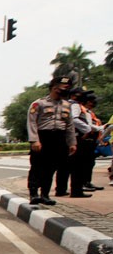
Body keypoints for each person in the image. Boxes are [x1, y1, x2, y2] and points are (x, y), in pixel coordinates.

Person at [27, 76, 77, 205]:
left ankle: (45, 194)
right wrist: (34, 140)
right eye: (64, 87)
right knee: (37, 166)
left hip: (59, 138)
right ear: (54, 87)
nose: (66, 90)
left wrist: (72, 143)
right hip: (43, 137)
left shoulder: (67, 105)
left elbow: (70, 125)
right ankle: (33, 194)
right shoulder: (39, 103)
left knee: (51, 167)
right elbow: (32, 123)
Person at [55, 88, 91, 197]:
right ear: (74, 96)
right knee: (78, 166)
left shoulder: (63, 104)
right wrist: (87, 129)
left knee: (64, 166)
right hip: (75, 137)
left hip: (64, 137)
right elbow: (74, 119)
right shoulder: (75, 105)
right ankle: (76, 191)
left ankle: (60, 190)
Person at [80, 94, 104, 191]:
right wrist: (100, 128)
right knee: (84, 163)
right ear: (88, 102)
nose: (94, 103)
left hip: (92, 140)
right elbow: (89, 125)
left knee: (90, 162)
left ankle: (87, 182)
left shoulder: (89, 112)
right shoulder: (83, 111)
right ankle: (82, 183)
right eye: (92, 101)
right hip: (85, 139)